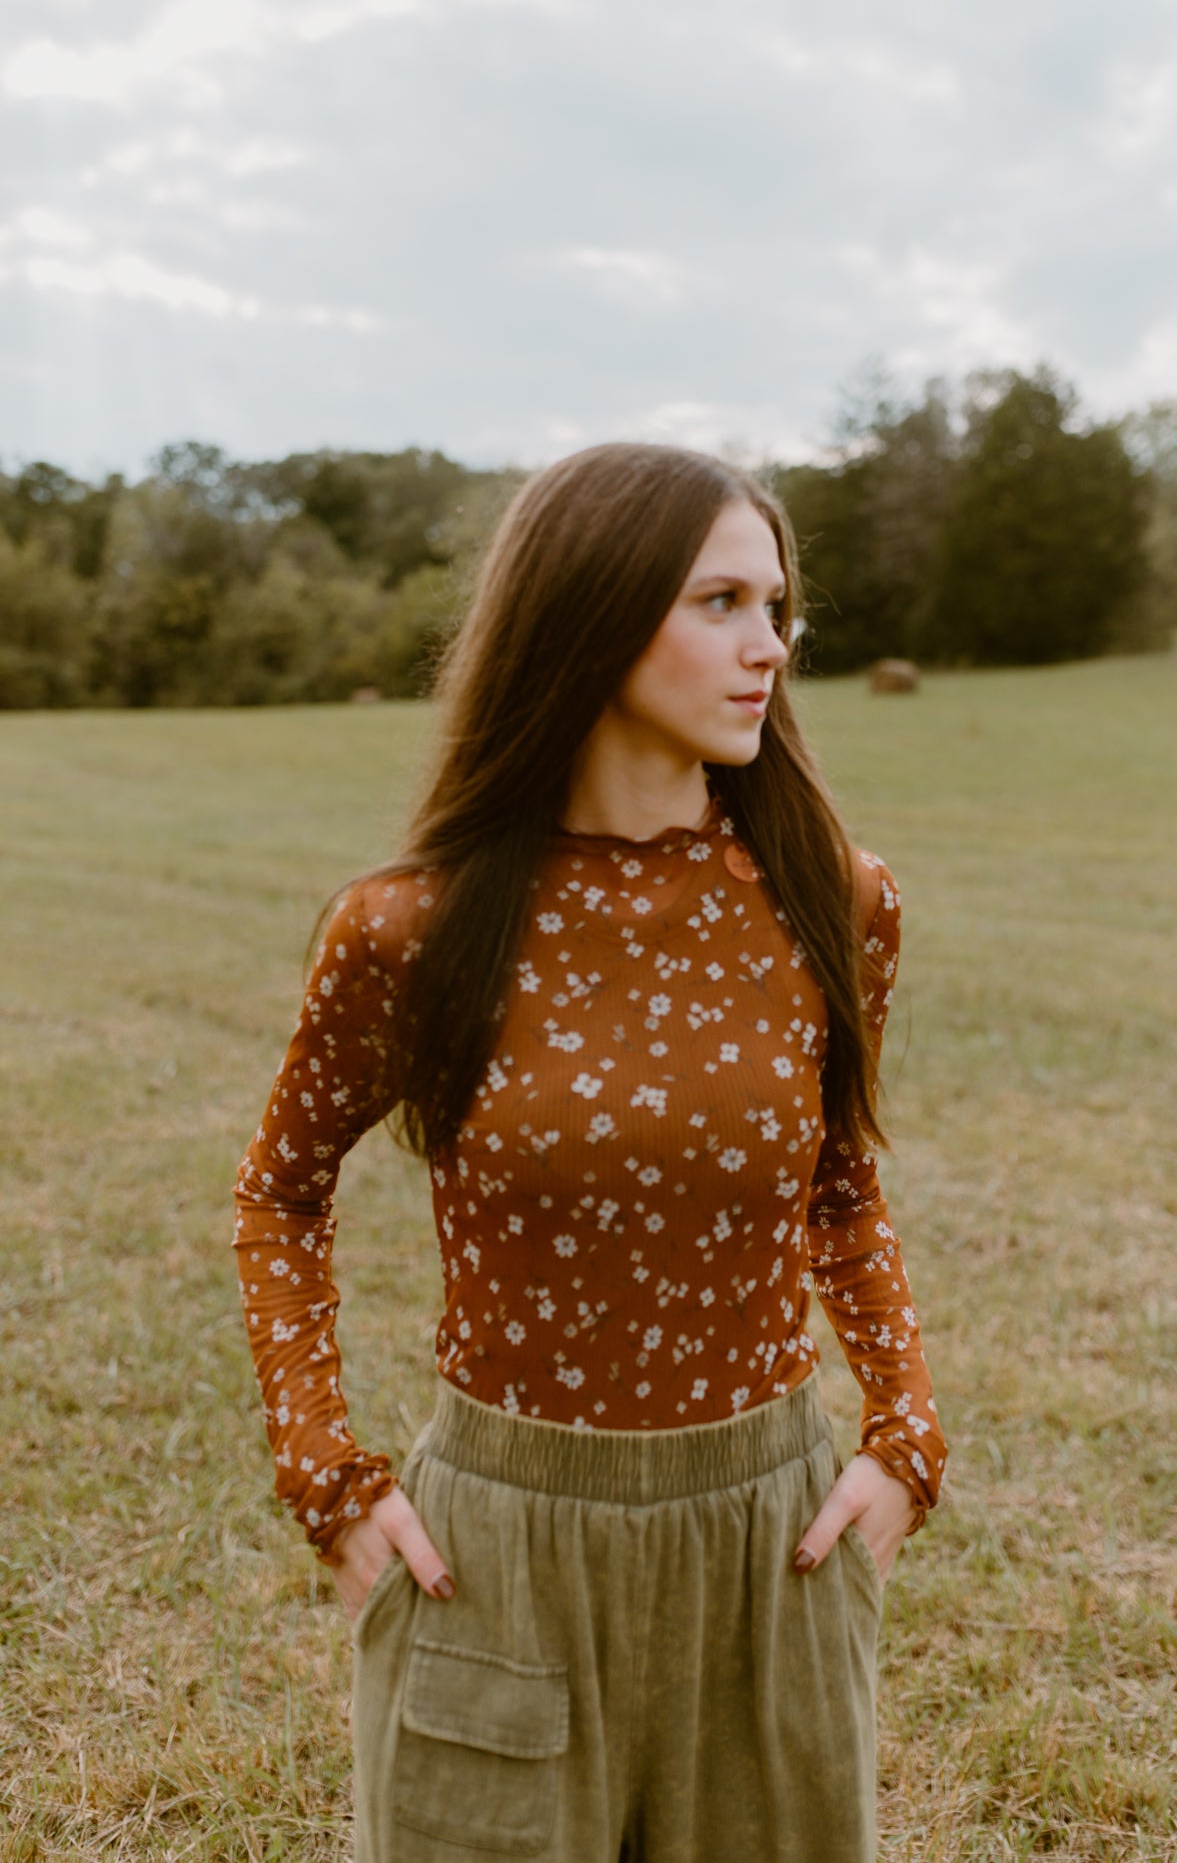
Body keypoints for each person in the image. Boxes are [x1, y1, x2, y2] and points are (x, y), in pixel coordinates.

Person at [233, 442, 947, 1863]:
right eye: (721, 604)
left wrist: (906, 1438)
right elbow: (279, 1194)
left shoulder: (833, 899)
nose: (771, 648)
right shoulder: (411, 929)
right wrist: (327, 1471)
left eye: (777, 606)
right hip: (497, 1557)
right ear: (593, 611)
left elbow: (841, 1192)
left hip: (772, 1545)